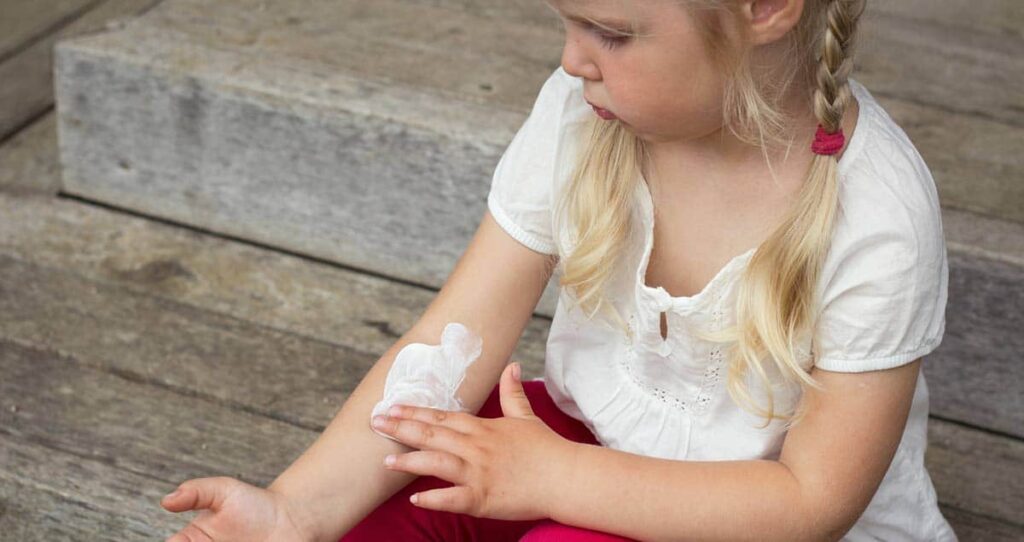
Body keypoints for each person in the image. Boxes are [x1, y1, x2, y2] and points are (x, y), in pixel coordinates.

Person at [158, 0, 958, 540]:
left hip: (752, 515)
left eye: (611, 32)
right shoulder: (582, 115)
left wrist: (557, 479)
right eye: (568, 22)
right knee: (407, 483)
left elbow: (809, 502)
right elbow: (454, 334)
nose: (573, 59)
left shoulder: (876, 213)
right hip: (580, 442)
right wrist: (294, 512)